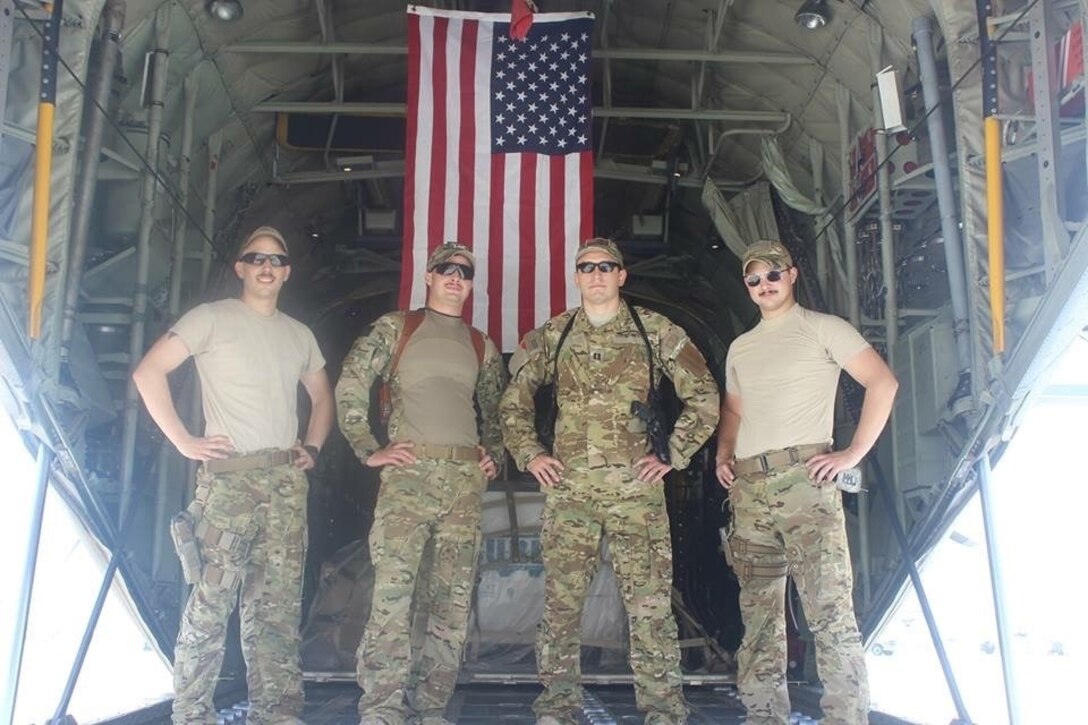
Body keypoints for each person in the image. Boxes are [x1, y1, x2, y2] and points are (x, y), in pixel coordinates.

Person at [501, 238, 720, 725]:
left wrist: (673, 453)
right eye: (587, 267)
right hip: (570, 494)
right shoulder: (555, 334)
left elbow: (704, 395)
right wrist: (531, 453)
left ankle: (662, 711)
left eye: (606, 266)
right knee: (562, 606)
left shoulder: (654, 330)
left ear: (622, 275)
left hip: (635, 494)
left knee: (649, 607)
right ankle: (557, 708)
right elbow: (513, 401)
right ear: (576, 277)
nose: (596, 274)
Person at [132, 226, 334, 725]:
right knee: (211, 602)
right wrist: (184, 441)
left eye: (276, 259)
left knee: (276, 609)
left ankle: (276, 713)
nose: (267, 266)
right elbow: (148, 371)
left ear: (287, 272)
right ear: (241, 268)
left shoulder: (299, 335)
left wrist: (312, 447)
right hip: (230, 484)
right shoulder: (210, 318)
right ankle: (192, 714)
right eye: (256, 257)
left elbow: (322, 396)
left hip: (284, 486)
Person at [714, 239, 899, 725]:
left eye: (773, 275)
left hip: (805, 485)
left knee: (829, 612)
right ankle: (763, 716)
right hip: (750, 491)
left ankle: (846, 717)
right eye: (754, 279)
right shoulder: (741, 347)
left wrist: (852, 453)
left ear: (791, 275)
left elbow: (883, 382)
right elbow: (734, 409)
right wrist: (723, 453)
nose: (764, 285)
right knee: (759, 619)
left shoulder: (823, 328)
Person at [335, 242, 505, 725]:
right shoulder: (396, 328)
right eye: (445, 268)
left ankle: (430, 708)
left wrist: (494, 453)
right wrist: (368, 447)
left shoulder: (481, 345)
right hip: (408, 478)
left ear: (471, 285)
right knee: (393, 597)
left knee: (450, 602)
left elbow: (499, 408)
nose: (455, 277)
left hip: (463, 484)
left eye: (465, 272)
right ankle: (382, 708)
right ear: (428, 276)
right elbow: (351, 383)